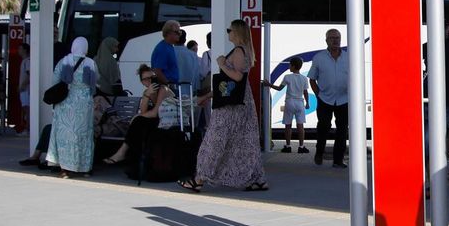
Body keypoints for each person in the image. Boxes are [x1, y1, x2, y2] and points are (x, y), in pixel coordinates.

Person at [185, 20, 268, 193]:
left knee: (216, 139)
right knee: (244, 142)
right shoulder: (244, 50)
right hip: (240, 102)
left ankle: (199, 179)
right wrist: (208, 96)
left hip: (231, 106)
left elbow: (237, 78)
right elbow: (228, 85)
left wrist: (222, 64)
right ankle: (257, 179)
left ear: (237, 32)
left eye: (229, 29)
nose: (227, 32)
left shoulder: (239, 51)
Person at [46, 38, 99, 178]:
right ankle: (85, 168)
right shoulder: (90, 63)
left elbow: (55, 81)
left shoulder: (64, 61)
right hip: (84, 104)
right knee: (84, 135)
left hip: (66, 103)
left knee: (66, 135)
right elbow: (95, 83)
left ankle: (65, 169)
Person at [102, 65, 168, 167]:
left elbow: (155, 113)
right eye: (146, 79)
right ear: (142, 82)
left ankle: (122, 153)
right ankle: (127, 157)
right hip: (158, 121)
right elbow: (143, 112)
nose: (149, 81)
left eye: (151, 78)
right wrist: (146, 95)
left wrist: (136, 117)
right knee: (139, 122)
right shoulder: (147, 92)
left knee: (138, 121)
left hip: (168, 122)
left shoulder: (163, 89)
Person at [308, 28, 349, 168]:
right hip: (325, 99)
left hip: (344, 100)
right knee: (324, 127)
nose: (335, 40)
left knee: (342, 130)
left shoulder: (349, 57)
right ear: (326, 40)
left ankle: (338, 160)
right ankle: (319, 152)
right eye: (332, 38)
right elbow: (312, 79)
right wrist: (318, 94)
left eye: (337, 37)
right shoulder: (319, 58)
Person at [277, 56, 310, 153]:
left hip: (290, 102)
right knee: (300, 126)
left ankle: (288, 146)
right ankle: (301, 147)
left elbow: (279, 88)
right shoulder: (304, 79)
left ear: (293, 66)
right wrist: (307, 103)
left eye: (290, 65)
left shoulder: (287, 77)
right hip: (300, 102)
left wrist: (268, 84)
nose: (289, 67)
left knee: (288, 125)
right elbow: (305, 92)